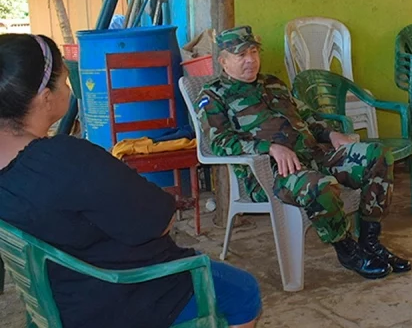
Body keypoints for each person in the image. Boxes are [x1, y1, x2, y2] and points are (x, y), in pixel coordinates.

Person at [0, 34, 261, 328]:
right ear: (45, 98)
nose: (69, 89)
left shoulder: (25, 166)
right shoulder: (63, 159)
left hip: (58, 296)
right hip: (115, 297)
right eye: (63, 81)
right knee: (243, 292)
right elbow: (159, 221)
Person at [198, 26, 410, 279]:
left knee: (378, 154)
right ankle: (347, 249)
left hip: (314, 155)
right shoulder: (213, 95)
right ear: (223, 61)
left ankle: (370, 241)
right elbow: (219, 142)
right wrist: (270, 148)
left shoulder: (273, 83)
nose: (250, 60)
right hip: (270, 173)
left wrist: (331, 134)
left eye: (253, 52)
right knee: (320, 186)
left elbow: (307, 116)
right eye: (240, 54)